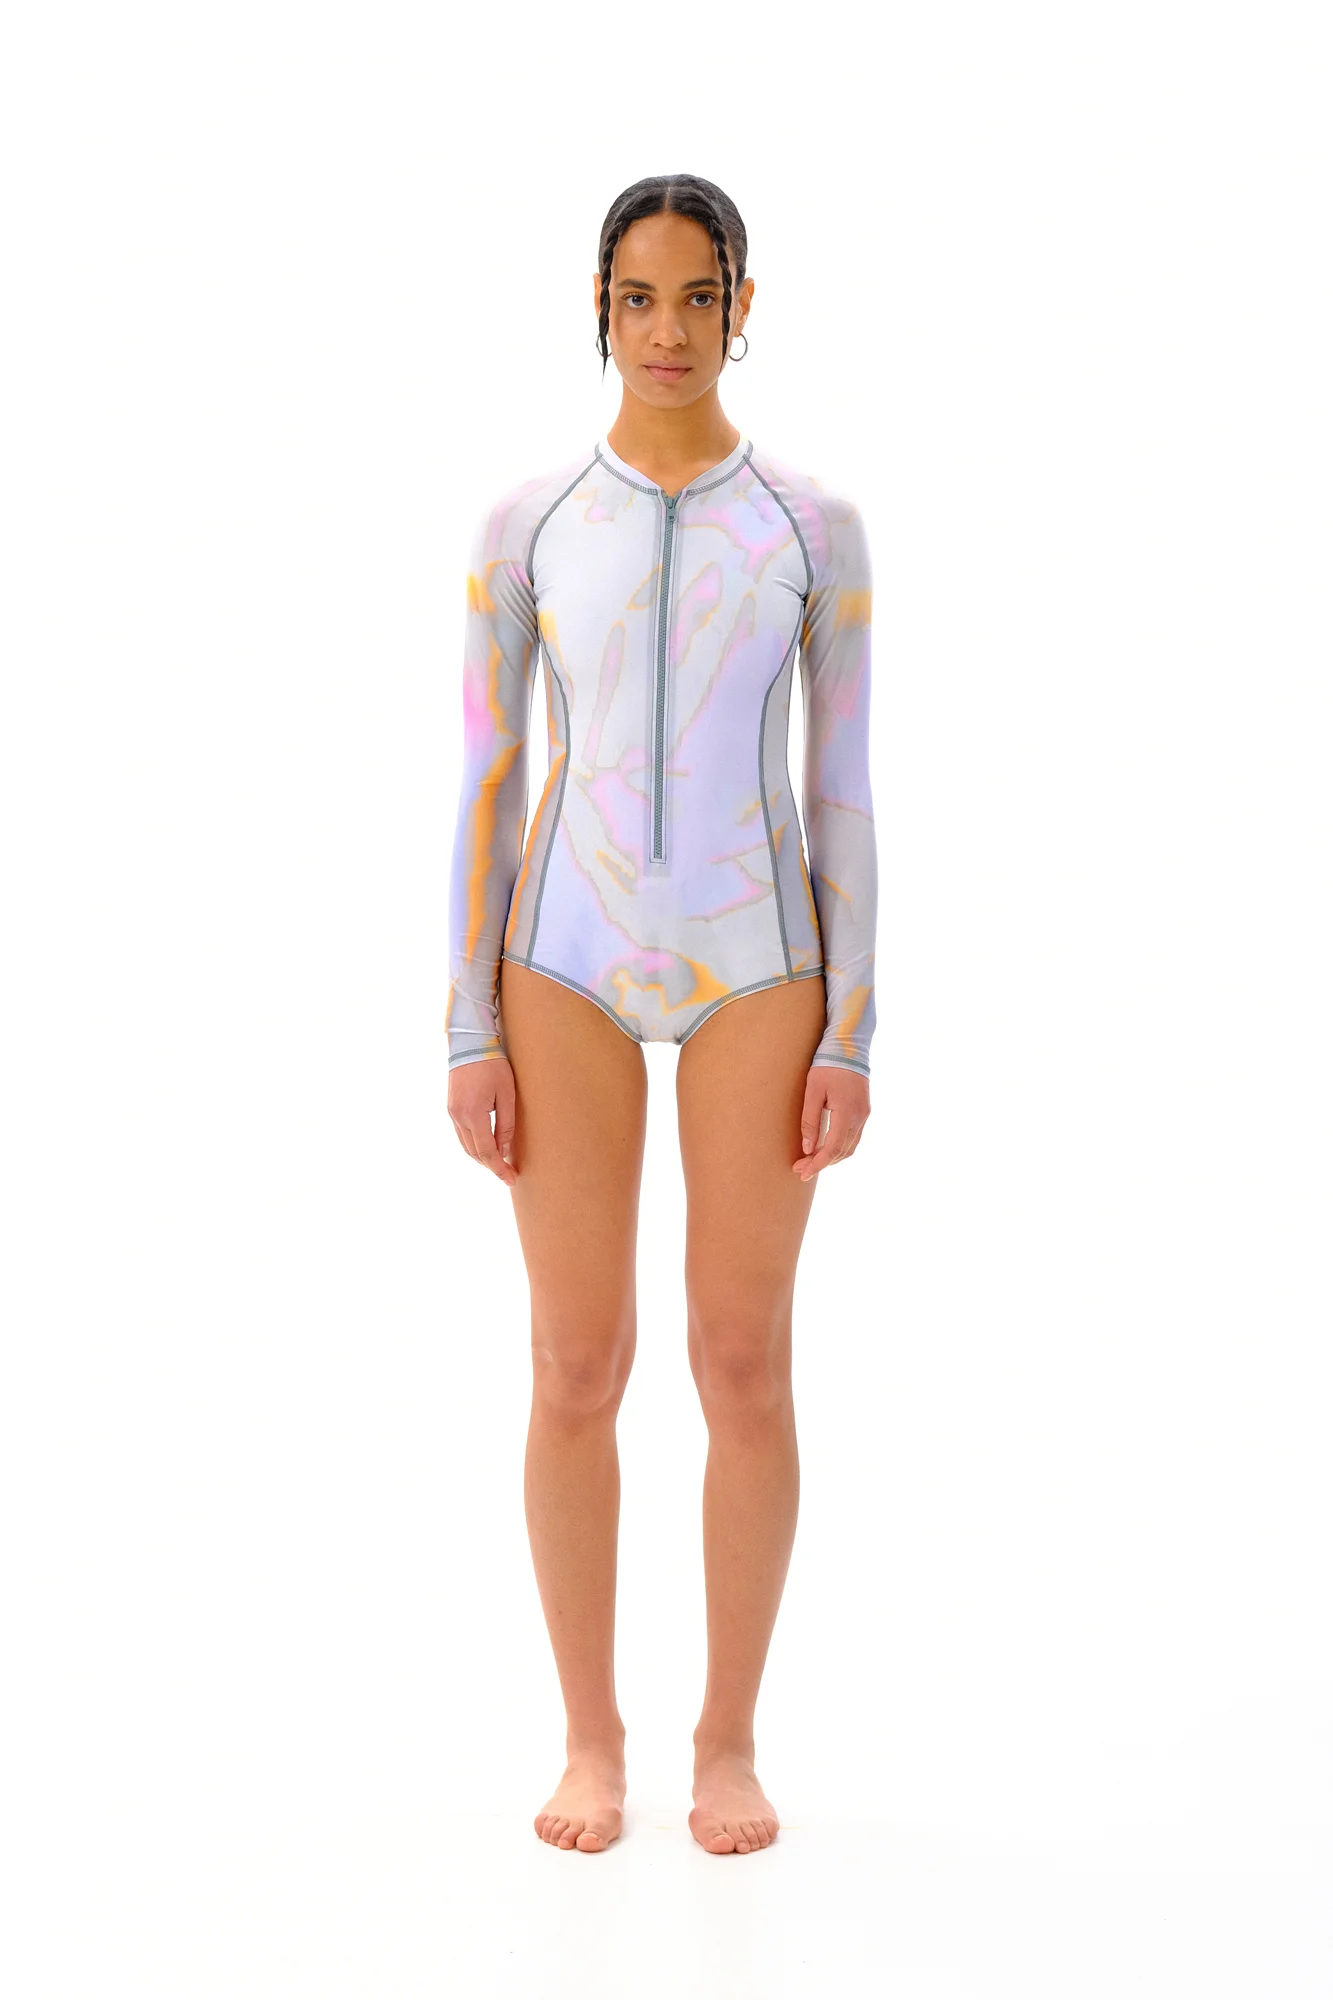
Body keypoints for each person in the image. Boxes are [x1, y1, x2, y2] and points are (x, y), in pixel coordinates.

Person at [445, 173, 877, 1856]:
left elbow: (843, 791)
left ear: (744, 307)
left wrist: (851, 1029)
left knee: (742, 1358)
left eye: (702, 296)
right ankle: (589, 1738)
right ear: (600, 309)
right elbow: (488, 783)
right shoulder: (529, 525)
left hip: (759, 965)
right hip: (562, 961)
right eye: (640, 297)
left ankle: (728, 1739)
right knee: (575, 1361)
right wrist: (465, 1025)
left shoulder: (813, 529)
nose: (671, 329)